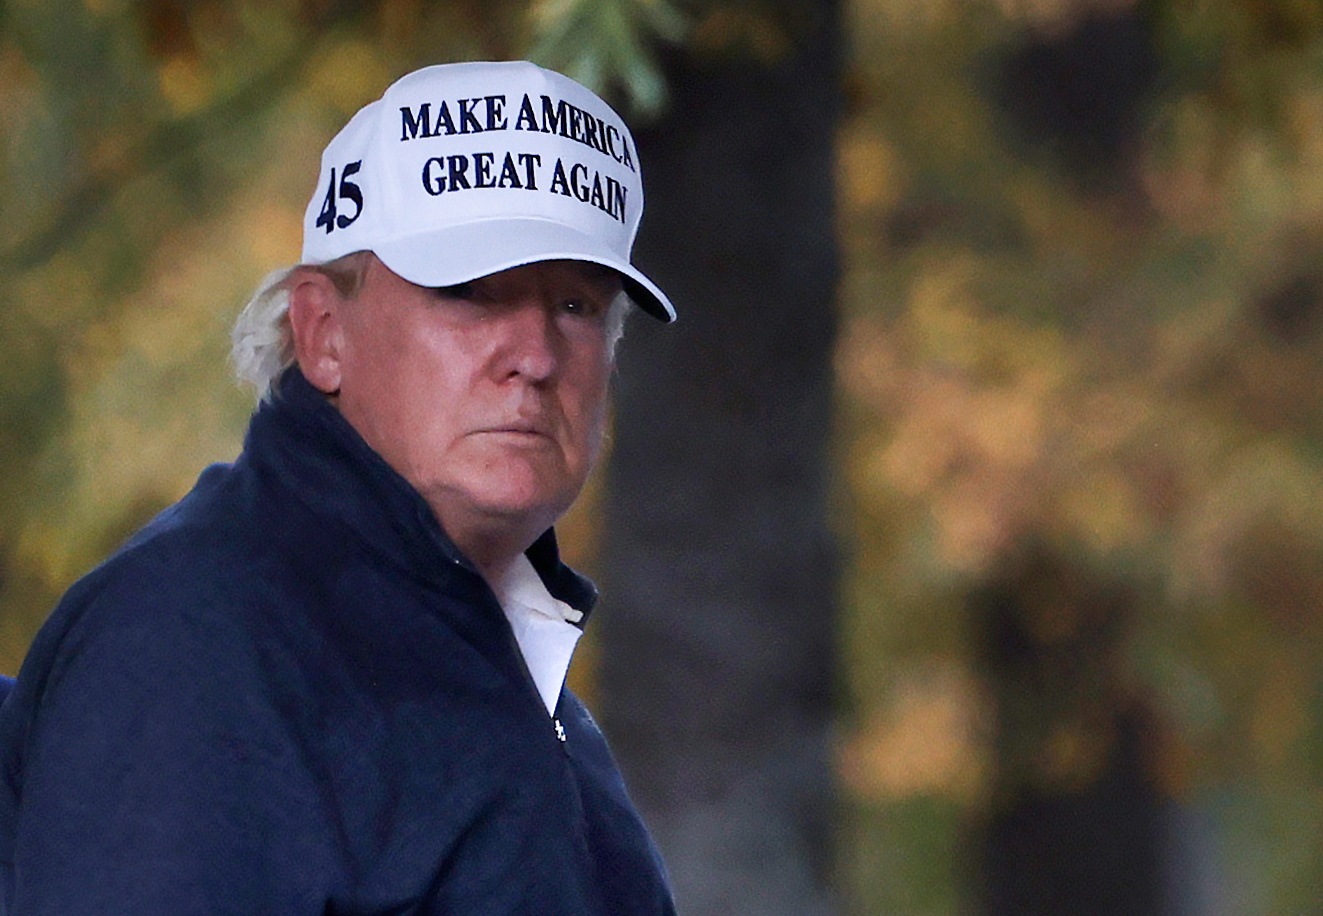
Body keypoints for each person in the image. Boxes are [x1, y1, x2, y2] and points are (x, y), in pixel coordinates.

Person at [0, 60, 677, 915]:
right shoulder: (198, 646)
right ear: (322, 332)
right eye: (469, 293)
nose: (536, 358)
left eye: (578, 307)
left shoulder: (516, 680)